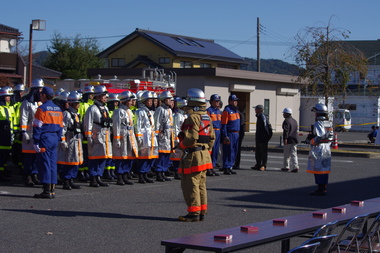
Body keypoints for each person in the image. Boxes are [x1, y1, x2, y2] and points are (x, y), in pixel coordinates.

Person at [178, 88, 215, 222]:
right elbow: (212, 138)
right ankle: (202, 211)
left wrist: (180, 146)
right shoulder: (207, 117)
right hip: (204, 155)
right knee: (201, 185)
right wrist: (206, 150)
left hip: (193, 156)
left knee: (190, 185)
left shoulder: (193, 117)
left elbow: (190, 138)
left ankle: (193, 213)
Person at [33, 87, 63, 198]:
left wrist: (36, 141)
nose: (40, 96)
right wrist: (59, 138)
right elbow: (61, 126)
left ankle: (46, 190)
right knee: (52, 164)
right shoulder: (58, 109)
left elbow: (37, 126)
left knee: (44, 163)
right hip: (54, 137)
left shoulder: (42, 108)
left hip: (45, 138)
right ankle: (52, 190)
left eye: (41, 94)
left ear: (44, 95)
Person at [83, 85, 113, 187]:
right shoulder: (92, 109)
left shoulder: (106, 108)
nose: (106, 97)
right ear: (99, 96)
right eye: (104, 95)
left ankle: (99, 176)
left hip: (105, 135)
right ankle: (93, 178)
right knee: (94, 158)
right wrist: (89, 137)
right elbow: (88, 123)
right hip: (96, 136)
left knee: (103, 157)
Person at [20, 78, 44, 186]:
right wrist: (24, 131)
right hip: (29, 131)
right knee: (28, 156)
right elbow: (23, 117)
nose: (41, 91)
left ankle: (35, 174)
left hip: (39, 132)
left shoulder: (40, 103)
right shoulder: (26, 102)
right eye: (39, 89)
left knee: (36, 155)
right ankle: (27, 176)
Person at [57, 91, 83, 190]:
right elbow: (63, 128)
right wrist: (62, 140)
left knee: (75, 161)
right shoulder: (66, 114)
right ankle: (66, 181)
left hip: (77, 139)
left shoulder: (77, 114)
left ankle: (71, 179)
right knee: (68, 161)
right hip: (69, 140)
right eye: (77, 103)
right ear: (71, 103)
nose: (79, 105)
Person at [306, 103, 334, 196]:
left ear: (318, 113)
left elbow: (320, 135)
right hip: (327, 147)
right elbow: (331, 136)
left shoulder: (319, 123)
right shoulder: (329, 123)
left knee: (318, 168)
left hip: (319, 147)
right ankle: (324, 187)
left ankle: (320, 188)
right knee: (325, 168)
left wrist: (311, 141)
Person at [111, 90, 137, 185]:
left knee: (129, 156)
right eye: (129, 101)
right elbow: (116, 126)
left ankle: (126, 174)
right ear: (124, 101)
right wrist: (117, 138)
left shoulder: (129, 111)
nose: (131, 103)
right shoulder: (119, 111)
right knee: (121, 157)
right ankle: (120, 176)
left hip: (130, 135)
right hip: (122, 136)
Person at [134, 91, 158, 184]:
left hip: (151, 136)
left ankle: (146, 173)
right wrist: (139, 137)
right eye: (149, 100)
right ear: (144, 101)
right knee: (143, 157)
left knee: (151, 156)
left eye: (152, 100)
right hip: (144, 137)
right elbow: (138, 125)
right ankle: (141, 174)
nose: (151, 102)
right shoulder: (140, 112)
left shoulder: (150, 112)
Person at [153, 91, 175, 182]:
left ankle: (164, 171)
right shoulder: (160, 109)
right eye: (168, 99)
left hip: (169, 134)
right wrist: (158, 135)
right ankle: (159, 172)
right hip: (162, 135)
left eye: (170, 99)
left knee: (167, 154)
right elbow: (156, 122)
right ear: (163, 100)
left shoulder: (169, 110)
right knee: (161, 154)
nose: (170, 101)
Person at [221, 94, 240, 175]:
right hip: (230, 133)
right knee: (228, 150)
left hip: (236, 133)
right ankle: (226, 167)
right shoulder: (227, 110)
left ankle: (230, 166)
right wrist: (225, 135)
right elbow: (224, 124)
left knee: (234, 151)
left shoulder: (236, 111)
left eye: (236, 101)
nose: (235, 102)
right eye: (233, 101)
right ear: (230, 101)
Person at [251, 104, 272, 171]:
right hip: (258, 137)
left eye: (256, 109)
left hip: (263, 138)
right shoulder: (259, 116)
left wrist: (267, 137)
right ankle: (258, 164)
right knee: (258, 152)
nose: (255, 110)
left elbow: (267, 127)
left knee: (263, 152)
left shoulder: (263, 117)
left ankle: (263, 165)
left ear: (260, 110)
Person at [206, 94, 222, 176]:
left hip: (218, 131)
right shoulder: (209, 111)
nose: (217, 103)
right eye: (216, 101)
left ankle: (213, 166)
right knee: (210, 150)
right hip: (212, 131)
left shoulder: (218, 111)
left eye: (218, 101)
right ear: (211, 102)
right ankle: (208, 167)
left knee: (216, 150)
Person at [281, 108, 300, 173]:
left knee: (287, 154)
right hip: (295, 139)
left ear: (286, 114)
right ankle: (295, 166)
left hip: (289, 139)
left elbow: (286, 131)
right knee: (294, 153)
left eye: (284, 113)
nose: (283, 114)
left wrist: (285, 139)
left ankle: (286, 166)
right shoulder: (294, 121)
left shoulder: (286, 121)